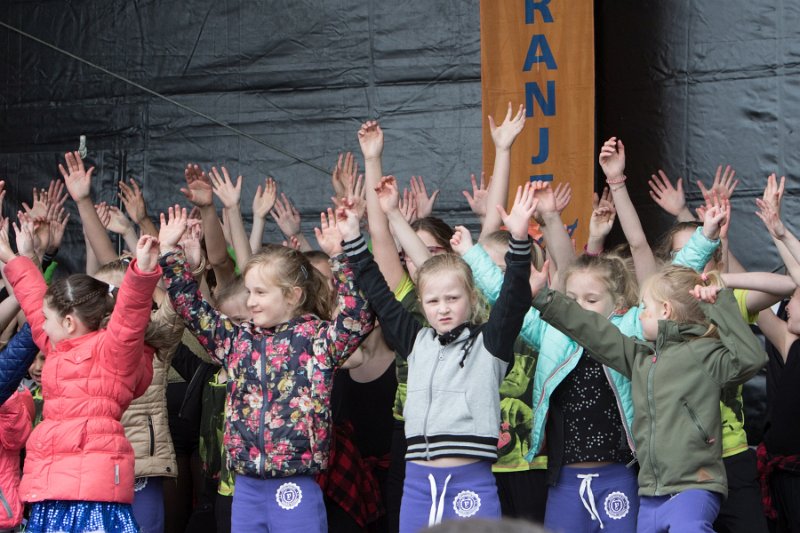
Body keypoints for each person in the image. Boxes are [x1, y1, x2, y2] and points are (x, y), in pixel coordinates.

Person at [527, 226, 767, 531]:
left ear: (665, 310)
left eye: (645, 308)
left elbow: (751, 358)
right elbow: (594, 332)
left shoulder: (703, 354)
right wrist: (545, 299)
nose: (639, 315)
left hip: (695, 484)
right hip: (651, 491)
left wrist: (720, 304)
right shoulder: (639, 358)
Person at [156, 204, 374, 533]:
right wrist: (169, 252)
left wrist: (340, 257)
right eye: (249, 292)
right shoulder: (236, 340)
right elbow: (191, 307)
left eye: (260, 292)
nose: (251, 301)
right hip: (244, 482)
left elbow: (357, 318)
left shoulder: (316, 340)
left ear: (293, 296)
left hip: (294, 481)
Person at [342, 179, 536, 532]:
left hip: (471, 479)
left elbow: (515, 299)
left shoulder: (489, 344)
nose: (443, 308)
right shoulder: (416, 342)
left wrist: (519, 241)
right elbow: (379, 294)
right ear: (422, 304)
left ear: (471, 299)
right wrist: (354, 241)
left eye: (452, 298)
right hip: (418, 481)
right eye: (433, 301)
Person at [0, 176, 160, 531]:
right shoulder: (57, 346)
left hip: (93, 495)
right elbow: (32, 299)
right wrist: (12, 257)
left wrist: (142, 271)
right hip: (52, 487)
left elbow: (131, 317)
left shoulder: (112, 352)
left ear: (70, 322)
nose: (39, 326)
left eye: (47, 320)